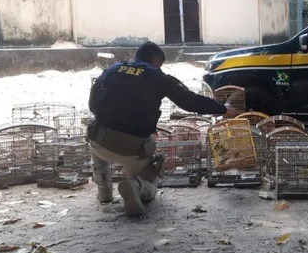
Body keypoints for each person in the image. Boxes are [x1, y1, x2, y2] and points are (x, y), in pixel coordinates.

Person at [87, 41, 238, 216]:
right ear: (156, 58)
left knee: (96, 148)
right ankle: (136, 187)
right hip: (133, 151)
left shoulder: (112, 70)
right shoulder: (158, 77)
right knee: (153, 174)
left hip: (101, 143)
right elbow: (189, 101)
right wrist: (223, 109)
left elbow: (92, 105)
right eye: (161, 63)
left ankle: (105, 193)